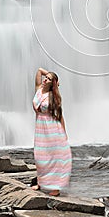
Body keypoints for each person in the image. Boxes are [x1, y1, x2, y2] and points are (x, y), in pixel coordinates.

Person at [32, 67, 72, 196]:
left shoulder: (53, 96)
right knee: (40, 156)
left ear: (51, 84)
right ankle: (40, 182)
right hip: (40, 129)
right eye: (46, 77)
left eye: (48, 79)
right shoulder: (38, 89)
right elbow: (39, 70)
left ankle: (56, 188)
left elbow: (60, 116)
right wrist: (53, 77)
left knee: (53, 157)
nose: (45, 79)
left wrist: (64, 135)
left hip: (52, 129)